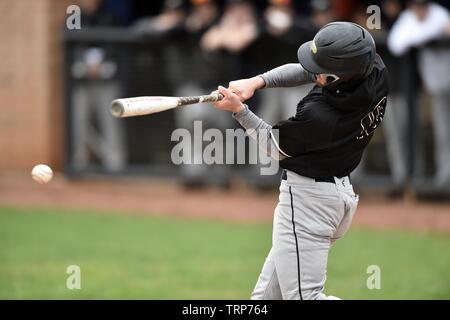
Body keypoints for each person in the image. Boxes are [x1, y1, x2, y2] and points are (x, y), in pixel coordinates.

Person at [212, 22, 389, 299]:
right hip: (336, 198)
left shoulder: (321, 116)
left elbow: (274, 146)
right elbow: (308, 71)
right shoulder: (374, 72)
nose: (313, 73)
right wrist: (256, 82)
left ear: (337, 77)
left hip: (309, 204)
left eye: (322, 73)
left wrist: (239, 111)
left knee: (304, 297)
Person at [388, 0, 450, 187]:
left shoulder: (439, 13)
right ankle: (444, 178)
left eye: (423, 5)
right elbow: (396, 44)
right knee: (442, 133)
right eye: (416, 5)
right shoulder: (408, 17)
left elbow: (441, 25)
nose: (420, 9)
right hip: (437, 86)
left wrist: (416, 35)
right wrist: (426, 34)